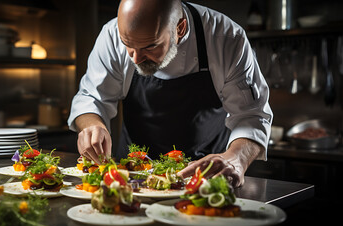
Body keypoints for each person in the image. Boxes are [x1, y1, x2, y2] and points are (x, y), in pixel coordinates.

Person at [68, 0, 273, 187]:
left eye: (151, 45)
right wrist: (93, 127)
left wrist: (236, 158)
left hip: (205, 178)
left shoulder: (225, 38)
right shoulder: (111, 35)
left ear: (180, 28)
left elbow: (252, 115)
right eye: (128, 46)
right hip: (132, 176)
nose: (136, 58)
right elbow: (91, 98)